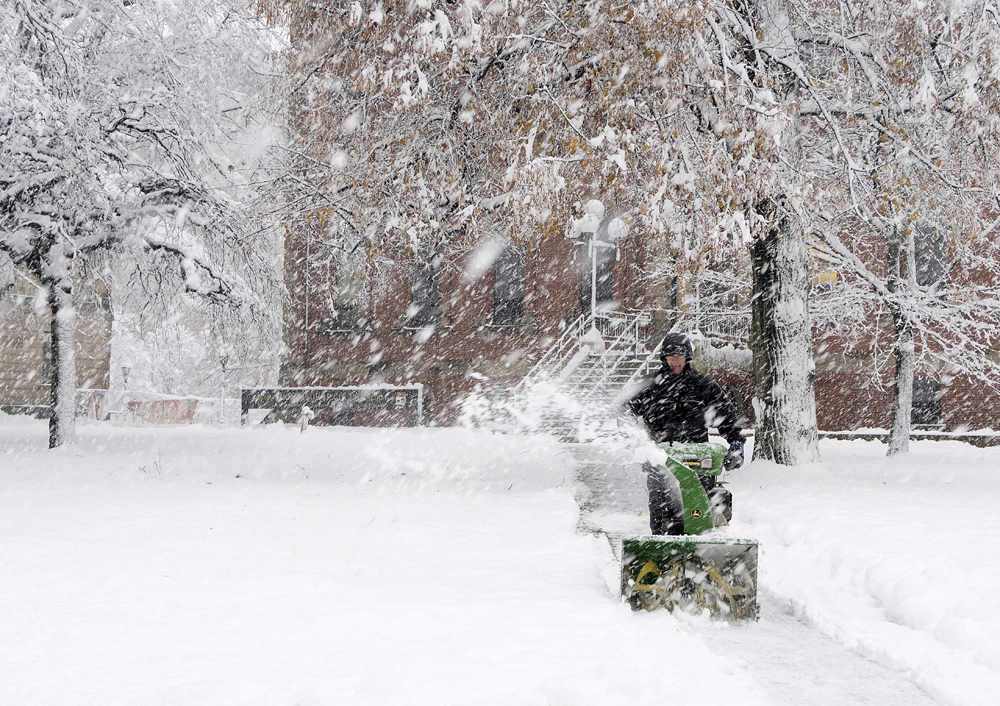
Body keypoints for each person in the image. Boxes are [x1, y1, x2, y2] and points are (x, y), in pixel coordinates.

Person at [625, 333, 746, 535]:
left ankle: (703, 556)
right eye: (670, 357)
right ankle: (664, 554)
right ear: (664, 358)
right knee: (663, 518)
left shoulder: (702, 385)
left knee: (702, 516)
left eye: (679, 356)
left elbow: (726, 415)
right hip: (661, 462)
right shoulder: (649, 386)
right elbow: (624, 412)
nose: (674, 361)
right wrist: (632, 439)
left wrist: (735, 442)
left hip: (699, 461)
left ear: (687, 358)